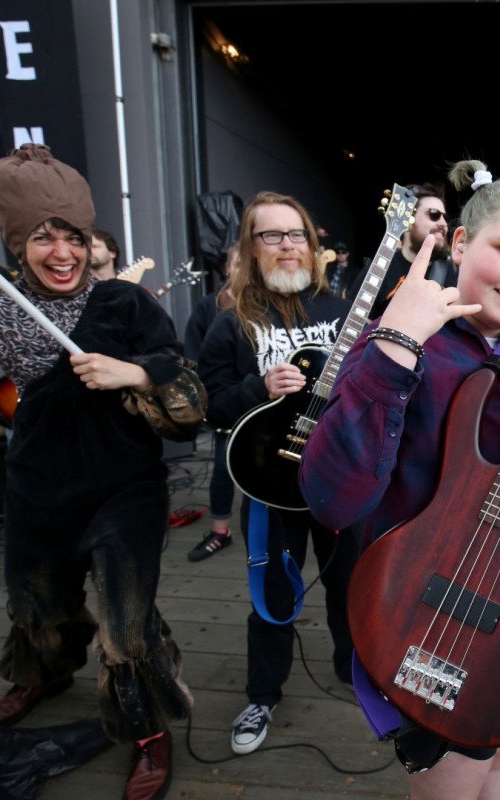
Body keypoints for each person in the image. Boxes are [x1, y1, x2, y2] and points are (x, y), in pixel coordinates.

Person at [300, 160, 500, 799]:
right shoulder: (404, 341)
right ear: (463, 243)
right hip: (436, 611)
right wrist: (395, 345)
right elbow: (333, 494)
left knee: (499, 759)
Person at [0, 143, 205, 800]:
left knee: (126, 625)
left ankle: (146, 729)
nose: (62, 252)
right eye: (42, 238)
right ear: (14, 241)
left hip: (122, 489)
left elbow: (189, 401)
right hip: (36, 486)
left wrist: (134, 372)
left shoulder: (124, 305)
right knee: (40, 606)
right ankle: (44, 676)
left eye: (74, 237)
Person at [195, 190, 358, 755]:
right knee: (272, 596)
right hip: (268, 483)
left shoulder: (343, 314)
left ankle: (354, 672)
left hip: (337, 481)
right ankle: (262, 695)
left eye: (297, 235)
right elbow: (208, 405)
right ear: (252, 246)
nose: (287, 246)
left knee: (350, 586)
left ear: (313, 247)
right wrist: (257, 388)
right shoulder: (231, 323)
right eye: (272, 235)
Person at [183, 241, 242, 561]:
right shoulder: (208, 307)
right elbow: (192, 355)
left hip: (263, 402)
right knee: (222, 466)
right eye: (238, 262)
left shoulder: (269, 306)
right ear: (227, 268)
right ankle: (220, 531)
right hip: (225, 403)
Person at [365, 181, 456, 319]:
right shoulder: (379, 267)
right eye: (434, 214)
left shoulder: (451, 272)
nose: (443, 224)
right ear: (407, 217)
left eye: (445, 218)